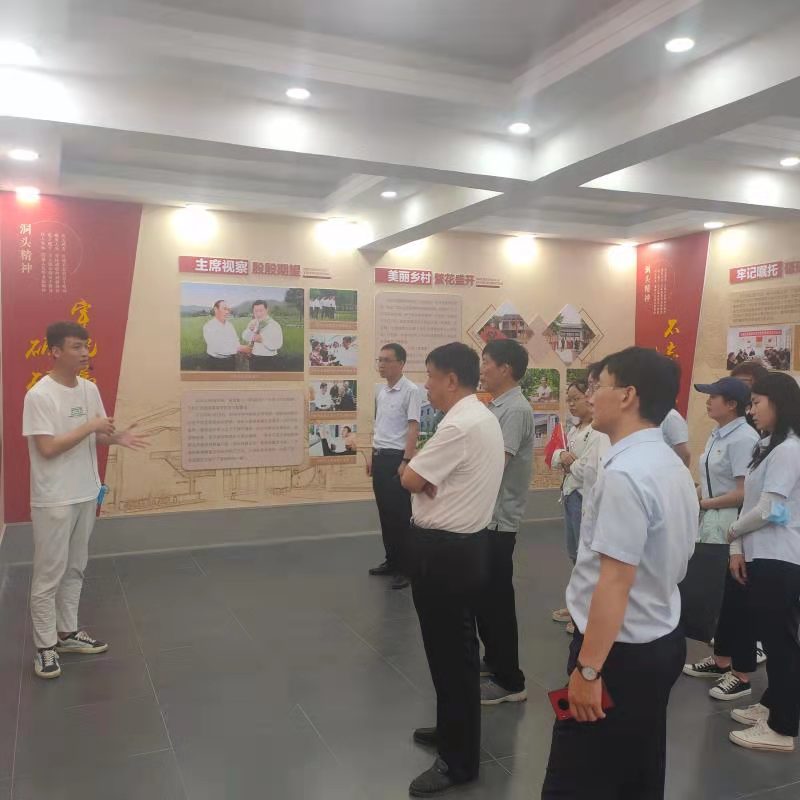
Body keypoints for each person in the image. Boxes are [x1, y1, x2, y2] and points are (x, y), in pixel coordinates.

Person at [541, 347, 698, 800]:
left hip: (617, 654)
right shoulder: (667, 462)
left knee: (575, 777)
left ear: (627, 395)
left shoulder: (626, 473)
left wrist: (589, 671)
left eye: (598, 386)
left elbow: (614, 581)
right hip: (660, 635)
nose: (590, 397)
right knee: (638, 769)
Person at [401, 342, 505, 797]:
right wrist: (423, 479)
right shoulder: (478, 416)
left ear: (451, 379)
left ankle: (458, 761)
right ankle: (451, 731)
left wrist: (413, 472)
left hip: (446, 554)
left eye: (429, 375)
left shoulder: (460, 424)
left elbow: (411, 478)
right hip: (460, 549)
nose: (425, 385)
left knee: (453, 657)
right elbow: (425, 481)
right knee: (450, 654)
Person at [23, 322, 148, 679]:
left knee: (76, 566)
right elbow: (48, 448)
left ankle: (67, 633)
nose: (84, 353)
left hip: (85, 492)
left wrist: (115, 438)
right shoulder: (39, 396)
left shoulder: (89, 389)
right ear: (55, 351)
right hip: (54, 498)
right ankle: (45, 647)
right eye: (76, 347)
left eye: (86, 346)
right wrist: (91, 427)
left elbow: (96, 435)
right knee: (49, 573)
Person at [727, 373, 800, 753]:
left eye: (757, 402)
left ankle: (783, 727)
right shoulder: (766, 445)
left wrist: (732, 531)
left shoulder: (789, 449)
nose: (751, 410)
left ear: (779, 402)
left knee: (780, 642)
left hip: (780, 556)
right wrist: (737, 546)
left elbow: (771, 508)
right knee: (773, 637)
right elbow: (750, 502)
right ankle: (773, 704)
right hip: (760, 553)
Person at [683, 378, 761, 700]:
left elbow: (745, 492)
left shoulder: (744, 438)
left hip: (731, 525)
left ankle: (741, 674)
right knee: (722, 598)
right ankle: (721, 660)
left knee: (735, 599)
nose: (707, 401)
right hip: (712, 522)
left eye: (713, 396)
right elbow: (713, 479)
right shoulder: (719, 433)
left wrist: (704, 503)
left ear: (731, 404)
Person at [476, 339, 534, 706]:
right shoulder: (497, 405)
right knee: (485, 598)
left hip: (498, 521)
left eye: (486, 362)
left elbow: (496, 464)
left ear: (505, 369)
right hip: (486, 518)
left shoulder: (515, 409)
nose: (481, 369)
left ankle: (511, 680)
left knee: (497, 601)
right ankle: (494, 660)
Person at [550, 374, 610, 632]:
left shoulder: (598, 433)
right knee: (574, 552)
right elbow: (557, 455)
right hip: (570, 494)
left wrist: (569, 463)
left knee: (587, 556)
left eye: (577, 398)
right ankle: (577, 602)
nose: (572, 404)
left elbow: (589, 469)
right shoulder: (575, 429)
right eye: (569, 400)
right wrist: (563, 457)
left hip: (584, 497)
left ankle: (585, 611)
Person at [368, 344, 421, 591]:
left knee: (400, 516)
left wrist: (406, 461)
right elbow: (379, 425)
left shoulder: (411, 391)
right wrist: (372, 454)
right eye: (379, 360)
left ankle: (407, 569)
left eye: (386, 360)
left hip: (397, 459)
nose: (381, 365)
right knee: (385, 514)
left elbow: (413, 427)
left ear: (401, 363)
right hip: (380, 456)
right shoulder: (381, 391)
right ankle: (392, 561)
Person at [203, 300, 250, 370]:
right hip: (216, 362)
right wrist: (240, 348)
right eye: (224, 309)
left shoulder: (230, 325)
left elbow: (236, 341)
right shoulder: (209, 326)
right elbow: (217, 348)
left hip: (231, 361)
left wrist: (242, 349)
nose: (227, 312)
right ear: (216, 309)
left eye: (228, 309)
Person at [242, 300, 283, 370]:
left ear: (266, 310)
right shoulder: (253, 322)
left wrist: (262, 340)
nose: (258, 314)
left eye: (261, 311)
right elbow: (245, 337)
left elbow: (278, 344)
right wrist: (249, 330)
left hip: (269, 359)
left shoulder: (274, 325)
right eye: (256, 311)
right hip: (253, 358)